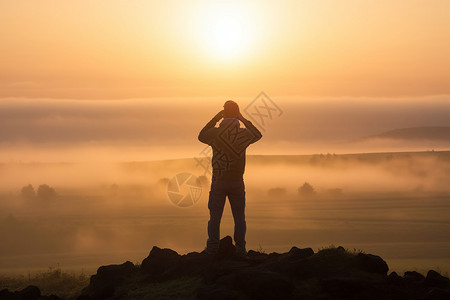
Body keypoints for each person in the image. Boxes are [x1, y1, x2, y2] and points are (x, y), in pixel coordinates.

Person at [198, 100, 262, 256]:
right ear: (237, 113)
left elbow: (200, 136)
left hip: (218, 180)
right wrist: (242, 118)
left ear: (223, 113)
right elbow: (258, 134)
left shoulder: (214, 133)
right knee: (239, 217)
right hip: (237, 181)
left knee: (214, 217)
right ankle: (240, 249)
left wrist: (215, 118)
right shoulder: (243, 134)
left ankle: (212, 248)